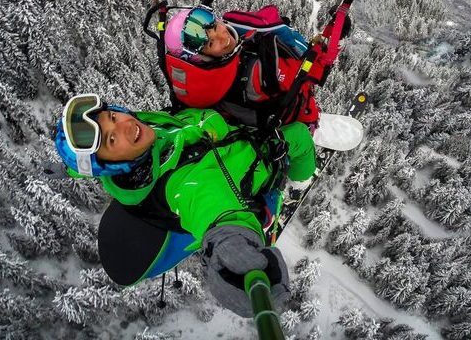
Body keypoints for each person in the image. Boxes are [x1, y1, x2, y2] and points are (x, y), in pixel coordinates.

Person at [54, 93, 317, 317]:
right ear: (112, 165)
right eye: (111, 140)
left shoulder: (147, 134)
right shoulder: (180, 185)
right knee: (299, 135)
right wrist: (229, 248)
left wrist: (211, 124)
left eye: (112, 117)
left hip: (234, 137)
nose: (124, 126)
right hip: (260, 163)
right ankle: (300, 180)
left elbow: (182, 122)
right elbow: (212, 209)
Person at [163, 0, 321, 131]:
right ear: (201, 59)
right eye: (211, 43)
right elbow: (305, 77)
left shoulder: (200, 83)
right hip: (297, 119)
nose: (223, 37)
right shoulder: (256, 71)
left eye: (216, 26)